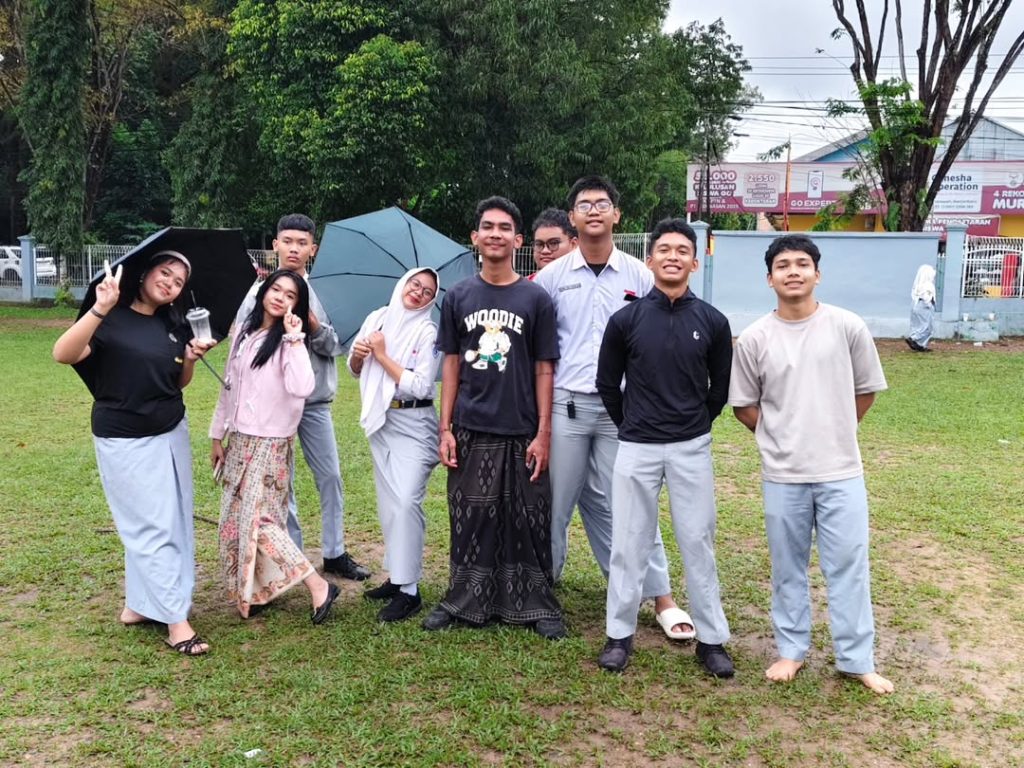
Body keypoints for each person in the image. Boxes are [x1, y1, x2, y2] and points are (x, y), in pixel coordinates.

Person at [729, 234, 894, 695]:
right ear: (769, 279)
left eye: (802, 263)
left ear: (817, 274)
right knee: (788, 567)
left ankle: (856, 659)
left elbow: (865, 391)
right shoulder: (755, 338)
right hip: (783, 475)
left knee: (849, 566)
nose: (793, 272)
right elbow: (744, 406)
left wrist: (835, 430)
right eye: (783, 265)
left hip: (842, 471)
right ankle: (791, 650)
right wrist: (781, 438)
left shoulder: (847, 327)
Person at [533, 176, 694, 643]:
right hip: (566, 408)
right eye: (584, 204)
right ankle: (542, 588)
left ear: (616, 215)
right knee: (553, 504)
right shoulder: (552, 278)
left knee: (633, 502)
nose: (594, 210)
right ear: (573, 218)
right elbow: (539, 350)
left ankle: (661, 597)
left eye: (602, 203)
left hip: (623, 413)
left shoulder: (640, 275)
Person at [53, 252, 213, 656]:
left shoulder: (172, 325)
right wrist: (100, 308)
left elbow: (176, 382)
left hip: (171, 430)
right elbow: (63, 354)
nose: (170, 283)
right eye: (165, 273)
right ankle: (176, 622)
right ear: (144, 274)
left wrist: (189, 360)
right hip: (125, 437)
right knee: (150, 526)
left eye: (178, 281)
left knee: (173, 519)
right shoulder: (110, 318)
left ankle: (138, 606)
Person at [595, 218, 733, 676]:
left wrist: (694, 425)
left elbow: (718, 390)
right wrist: (632, 424)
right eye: (665, 250)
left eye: (682, 251)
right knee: (628, 543)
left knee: (698, 541)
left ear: (694, 263)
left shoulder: (712, 322)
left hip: (691, 446)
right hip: (637, 447)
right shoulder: (626, 320)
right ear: (650, 259)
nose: (673, 257)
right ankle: (619, 636)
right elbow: (607, 385)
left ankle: (711, 640)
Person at [423, 196, 566, 639]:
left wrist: (543, 433)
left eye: (505, 228)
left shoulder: (536, 298)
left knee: (528, 516)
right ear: (475, 237)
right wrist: (445, 428)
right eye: (488, 226)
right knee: (471, 516)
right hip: (472, 425)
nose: (495, 234)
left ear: (518, 240)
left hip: (522, 427)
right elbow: (450, 364)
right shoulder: (459, 296)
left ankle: (534, 602)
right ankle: (463, 598)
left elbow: (544, 368)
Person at [233, 214, 370, 580]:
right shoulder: (258, 292)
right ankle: (290, 556)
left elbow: (336, 345)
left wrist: (311, 323)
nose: (294, 248)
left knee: (330, 476)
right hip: (271, 407)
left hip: (314, 402)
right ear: (275, 244)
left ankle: (335, 551)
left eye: (302, 243)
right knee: (282, 483)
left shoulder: (323, 293)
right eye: (287, 241)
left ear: (313, 249)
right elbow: (242, 341)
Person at [211, 269, 341, 624]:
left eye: (290, 295)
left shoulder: (288, 341)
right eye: (276, 289)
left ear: (297, 305)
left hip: (270, 444)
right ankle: (256, 590)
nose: (280, 297)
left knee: (262, 523)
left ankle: (318, 586)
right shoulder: (243, 332)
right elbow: (228, 388)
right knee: (234, 520)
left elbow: (303, 387)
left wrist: (296, 339)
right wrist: (217, 435)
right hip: (239, 439)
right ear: (264, 291)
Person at [347, 268, 442, 622]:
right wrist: (359, 355)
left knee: (405, 503)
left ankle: (410, 592)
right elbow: (354, 369)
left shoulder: (428, 331)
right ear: (403, 283)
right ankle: (398, 578)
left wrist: (383, 354)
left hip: (415, 423)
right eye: (415, 284)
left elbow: (422, 386)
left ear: (432, 300)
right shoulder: (378, 318)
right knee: (389, 504)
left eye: (427, 291)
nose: (418, 293)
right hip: (383, 420)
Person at [529, 208, 577, 277]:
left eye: (554, 243)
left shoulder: (587, 282)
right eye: (539, 244)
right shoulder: (526, 283)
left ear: (573, 244)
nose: (545, 251)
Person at [906, 264, 936, 352]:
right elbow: (927, 296)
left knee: (917, 325)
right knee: (927, 327)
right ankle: (914, 339)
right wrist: (929, 303)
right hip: (924, 306)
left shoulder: (919, 285)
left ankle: (920, 345)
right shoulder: (928, 285)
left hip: (916, 305)